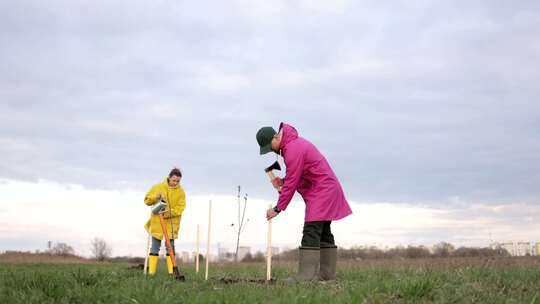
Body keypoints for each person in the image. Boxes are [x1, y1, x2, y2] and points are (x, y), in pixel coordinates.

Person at [256, 123, 352, 281]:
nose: (271, 151)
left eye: (269, 146)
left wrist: (278, 208)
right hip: (325, 189)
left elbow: (294, 181)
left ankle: (305, 276)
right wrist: (283, 181)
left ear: (275, 137)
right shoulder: (293, 145)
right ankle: (327, 275)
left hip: (322, 190)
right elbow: (298, 175)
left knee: (311, 230)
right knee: (324, 231)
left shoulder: (292, 149)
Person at [143, 168, 186, 276]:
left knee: (170, 247)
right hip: (157, 222)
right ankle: (151, 273)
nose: (175, 183)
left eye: (178, 181)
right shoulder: (157, 187)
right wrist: (155, 197)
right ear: (169, 177)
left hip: (172, 223)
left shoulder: (181, 192)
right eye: (174, 180)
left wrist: (167, 213)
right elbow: (147, 200)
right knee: (155, 246)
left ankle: (172, 273)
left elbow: (180, 208)